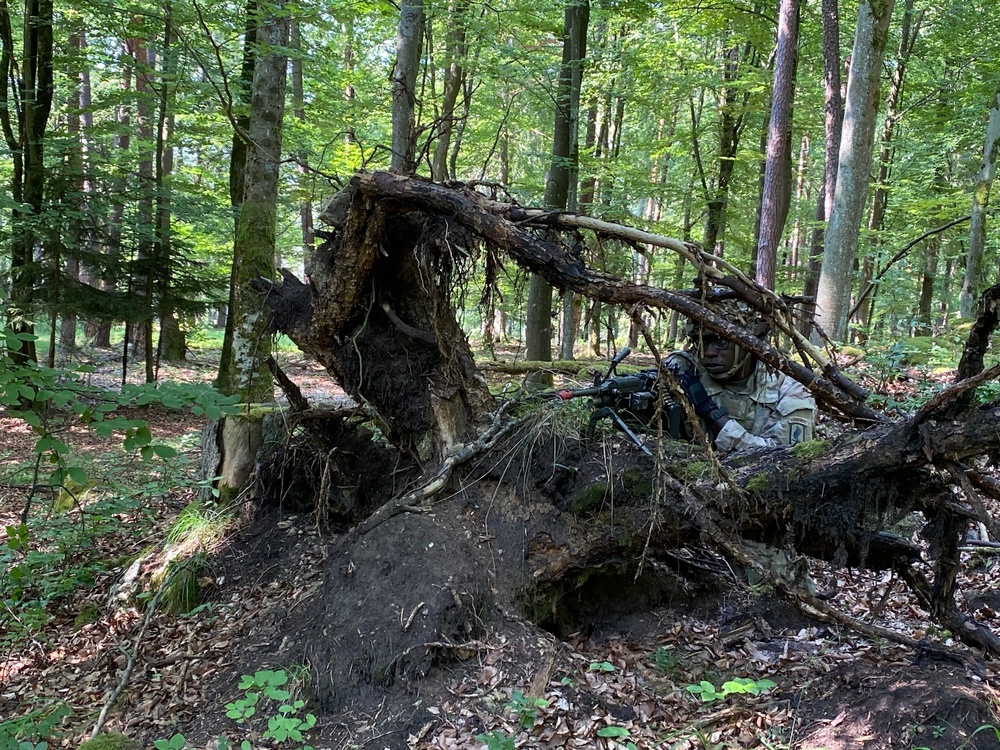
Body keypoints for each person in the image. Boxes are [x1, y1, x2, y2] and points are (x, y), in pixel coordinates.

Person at [665, 300, 816, 452]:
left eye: (721, 341)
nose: (708, 352)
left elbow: (789, 459)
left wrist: (711, 413)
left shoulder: (790, 391)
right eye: (702, 342)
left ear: (746, 344)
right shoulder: (690, 373)